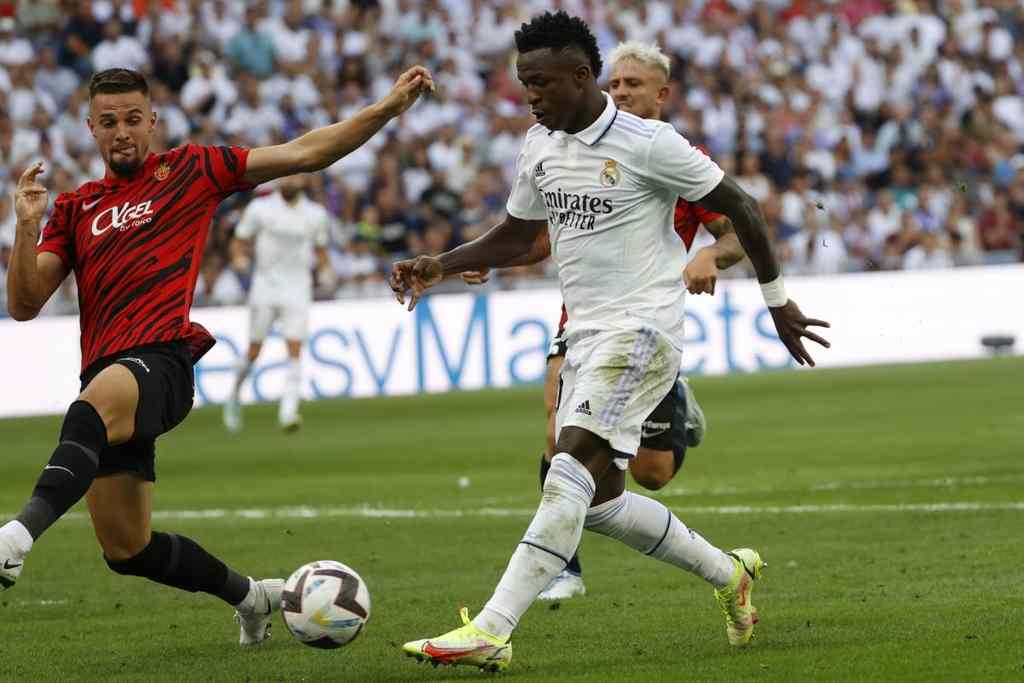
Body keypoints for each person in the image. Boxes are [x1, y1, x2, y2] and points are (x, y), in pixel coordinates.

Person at [390, 12, 828, 672]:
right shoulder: (540, 147)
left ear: (579, 76)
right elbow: (518, 234)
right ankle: (729, 572)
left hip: (643, 333)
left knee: (566, 469)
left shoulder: (648, 142)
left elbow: (742, 205)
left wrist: (777, 299)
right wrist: (440, 264)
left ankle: (493, 627)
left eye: (540, 83)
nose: (530, 96)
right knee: (599, 503)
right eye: (523, 84)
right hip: (585, 335)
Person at [2, 65, 432, 647]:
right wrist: (25, 227)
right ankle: (250, 596)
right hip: (111, 377)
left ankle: (16, 538)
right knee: (127, 549)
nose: (122, 131)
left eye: (133, 119)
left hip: (164, 361)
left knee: (88, 410)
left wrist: (386, 108)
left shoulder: (191, 170)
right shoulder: (77, 208)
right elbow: (25, 303)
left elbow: (305, 153)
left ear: (153, 122)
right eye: (108, 123)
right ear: (90, 130)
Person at [460, 40, 748, 602]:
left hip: (642, 323)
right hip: (581, 318)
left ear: (662, 94)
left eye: (634, 85)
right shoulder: (561, 145)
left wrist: (712, 255)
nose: (621, 92)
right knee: (558, 438)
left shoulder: (671, 154)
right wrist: (481, 258)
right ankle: (561, 569)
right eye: (615, 84)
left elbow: (736, 227)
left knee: (652, 476)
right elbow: (538, 238)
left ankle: (673, 397)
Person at [223, 174, 331, 433]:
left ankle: (288, 411)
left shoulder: (315, 214)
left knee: (295, 348)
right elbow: (239, 240)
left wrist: (327, 270)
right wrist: (239, 258)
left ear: (304, 180)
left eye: (295, 176)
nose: (290, 181)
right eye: (286, 176)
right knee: (254, 350)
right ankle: (234, 395)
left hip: (298, 287)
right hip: (265, 287)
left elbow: (321, 250)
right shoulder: (260, 208)